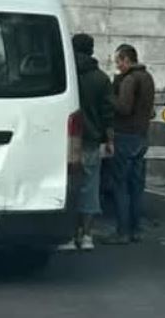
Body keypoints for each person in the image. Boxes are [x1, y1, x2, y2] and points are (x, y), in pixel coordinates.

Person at [59, 34, 114, 251]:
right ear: (92, 50)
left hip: (66, 141)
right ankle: (87, 236)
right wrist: (110, 140)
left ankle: (69, 237)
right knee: (90, 188)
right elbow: (108, 113)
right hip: (91, 141)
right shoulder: (101, 79)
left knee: (68, 186)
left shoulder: (65, 75)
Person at [101, 44, 155, 245]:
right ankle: (136, 229)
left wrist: (109, 97)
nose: (117, 66)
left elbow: (124, 107)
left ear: (126, 60)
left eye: (118, 61)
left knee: (120, 185)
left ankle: (122, 232)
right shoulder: (147, 78)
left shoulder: (129, 80)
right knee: (136, 185)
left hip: (125, 135)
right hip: (142, 136)